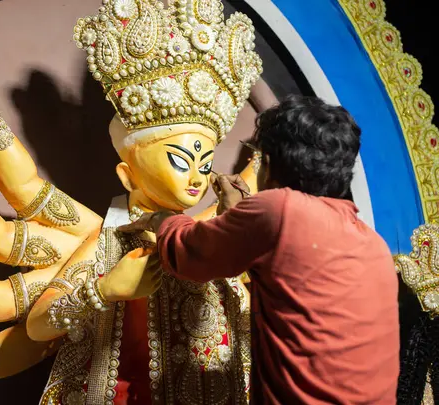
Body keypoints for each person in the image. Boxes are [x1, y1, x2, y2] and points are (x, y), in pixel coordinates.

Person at [0, 0, 270, 402]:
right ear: (127, 174)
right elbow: (29, 325)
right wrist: (104, 290)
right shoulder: (103, 245)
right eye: (181, 160)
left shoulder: (217, 244)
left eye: (205, 163)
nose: (197, 176)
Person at [120, 95, 400, 404]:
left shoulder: (280, 211)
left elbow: (189, 254)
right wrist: (236, 218)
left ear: (267, 163)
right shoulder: (373, 244)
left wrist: (164, 221)